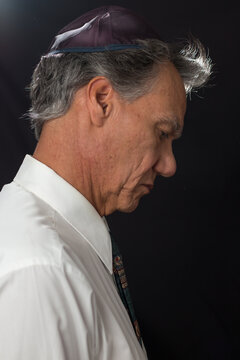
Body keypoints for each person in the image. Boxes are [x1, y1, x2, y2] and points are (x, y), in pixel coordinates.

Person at [0, 5, 212, 360]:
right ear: (101, 101)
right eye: (161, 132)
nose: (170, 165)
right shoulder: (40, 270)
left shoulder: (56, 247)